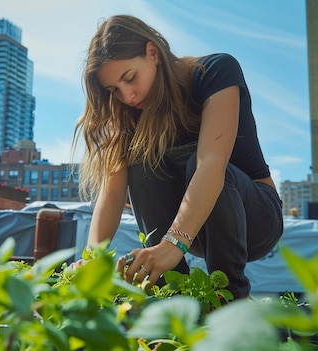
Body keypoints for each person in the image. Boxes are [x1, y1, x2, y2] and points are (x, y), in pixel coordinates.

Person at [70, 14, 284, 299]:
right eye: (114, 91)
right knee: (141, 164)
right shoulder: (127, 113)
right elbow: (111, 194)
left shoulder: (216, 72)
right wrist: (93, 258)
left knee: (199, 161)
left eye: (130, 78)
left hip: (255, 218)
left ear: (153, 52)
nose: (128, 96)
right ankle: (171, 296)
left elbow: (211, 165)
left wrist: (173, 243)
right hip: (190, 229)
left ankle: (230, 299)